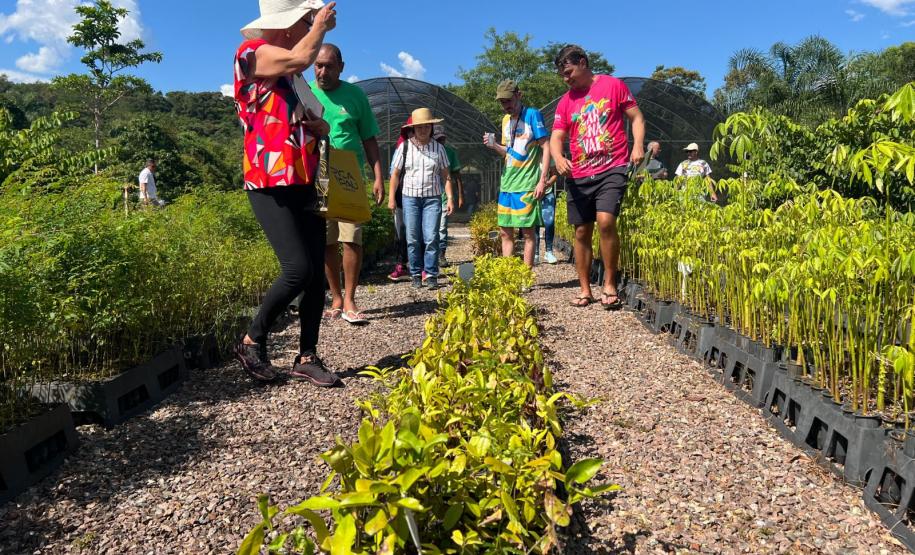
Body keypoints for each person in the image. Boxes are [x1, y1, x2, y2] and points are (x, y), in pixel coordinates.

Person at [232, 0, 341, 387]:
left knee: (315, 275)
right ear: (289, 24)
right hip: (268, 179)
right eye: (306, 22)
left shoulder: (294, 78)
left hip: (305, 177)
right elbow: (299, 57)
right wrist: (322, 26)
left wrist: (320, 127)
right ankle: (251, 340)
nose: (309, 27)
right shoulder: (251, 53)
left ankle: (307, 355)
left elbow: (308, 118)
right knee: (297, 269)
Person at [549, 44, 645, 310]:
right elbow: (556, 137)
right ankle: (585, 289)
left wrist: (638, 145)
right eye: (562, 75)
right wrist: (558, 158)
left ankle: (610, 283)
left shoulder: (613, 86)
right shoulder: (566, 102)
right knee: (581, 231)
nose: (566, 79)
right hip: (579, 173)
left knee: (605, 221)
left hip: (612, 167)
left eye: (568, 72)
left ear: (582, 62)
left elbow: (636, 118)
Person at [310, 43, 384, 325]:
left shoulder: (355, 96)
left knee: (351, 237)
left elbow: (369, 139)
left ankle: (351, 299)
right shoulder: (306, 93)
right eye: (318, 65)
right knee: (326, 240)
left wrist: (378, 176)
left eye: (329, 66)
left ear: (341, 67)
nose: (322, 72)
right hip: (319, 175)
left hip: (350, 175)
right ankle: (336, 298)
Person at [484, 79, 550, 268]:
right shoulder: (505, 120)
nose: (506, 105)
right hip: (507, 184)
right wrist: (495, 146)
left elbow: (546, 147)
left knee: (528, 233)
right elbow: (509, 151)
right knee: (505, 232)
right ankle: (508, 275)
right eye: (502, 102)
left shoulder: (532, 115)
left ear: (519, 96)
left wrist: (542, 180)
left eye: (509, 100)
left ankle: (525, 278)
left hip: (527, 184)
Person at [388, 108, 454, 289]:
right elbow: (395, 174)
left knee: (431, 236)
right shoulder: (405, 147)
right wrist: (391, 198)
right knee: (412, 237)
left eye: (426, 127)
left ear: (431, 127)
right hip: (410, 199)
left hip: (432, 199)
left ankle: (431, 274)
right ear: (413, 128)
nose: (423, 130)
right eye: (419, 127)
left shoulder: (439, 148)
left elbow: (446, 176)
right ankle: (416, 273)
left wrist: (450, 198)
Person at [433, 125, 463, 266]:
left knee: (442, 227)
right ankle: (429, 256)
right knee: (429, 228)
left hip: (444, 196)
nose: (441, 142)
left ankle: (441, 255)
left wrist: (460, 195)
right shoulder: (426, 151)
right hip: (429, 195)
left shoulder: (450, 152)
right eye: (438, 139)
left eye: (443, 139)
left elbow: (457, 175)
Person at [534, 165, 559, 264]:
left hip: (547, 194)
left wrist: (547, 184)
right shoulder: (528, 157)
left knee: (549, 223)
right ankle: (535, 254)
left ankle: (549, 252)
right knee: (534, 224)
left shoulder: (549, 158)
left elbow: (554, 175)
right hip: (532, 194)